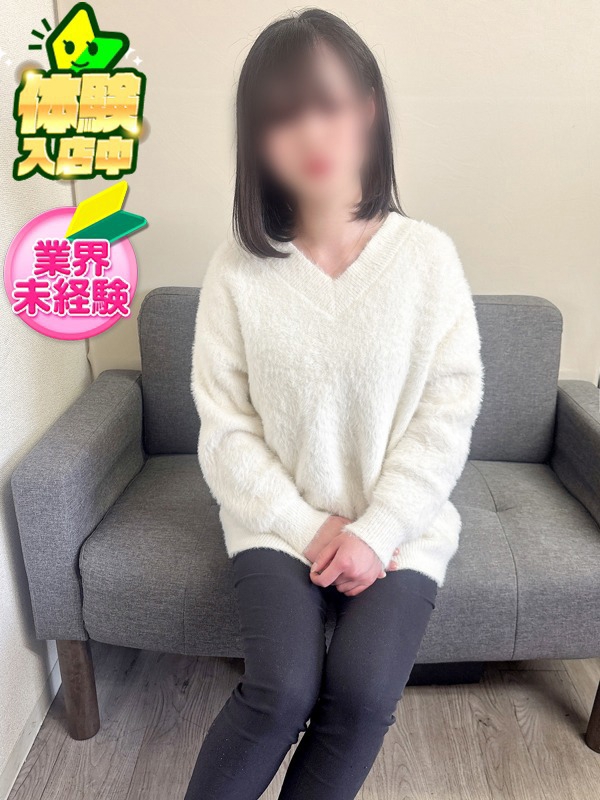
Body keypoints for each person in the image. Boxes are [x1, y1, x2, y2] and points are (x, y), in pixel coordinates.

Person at [186, 9, 483, 800]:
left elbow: (447, 413)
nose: (311, 132)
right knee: (280, 691)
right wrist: (311, 527)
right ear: (257, 141)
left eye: (329, 102)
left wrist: (376, 532)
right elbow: (226, 429)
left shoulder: (428, 259)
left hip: (400, 528)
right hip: (276, 521)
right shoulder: (235, 270)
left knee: (362, 692)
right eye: (282, 116)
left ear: (369, 108)